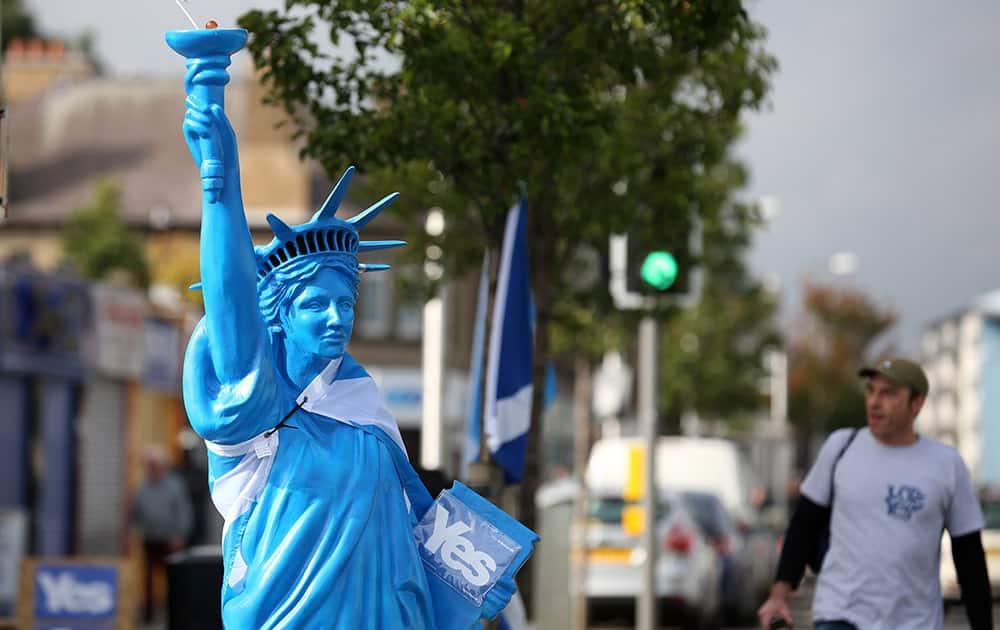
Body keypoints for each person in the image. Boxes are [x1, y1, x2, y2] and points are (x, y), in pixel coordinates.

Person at [757, 357, 993, 630]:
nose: (874, 402)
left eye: (888, 394)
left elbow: (969, 556)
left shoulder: (945, 465)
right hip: (840, 614)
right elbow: (803, 525)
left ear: (917, 403)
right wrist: (779, 594)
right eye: (871, 390)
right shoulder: (841, 447)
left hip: (915, 622)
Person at [131, 445, 193, 623]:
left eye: (154, 464)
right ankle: (149, 618)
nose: (151, 468)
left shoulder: (175, 486)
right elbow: (136, 513)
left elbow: (184, 511)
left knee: (173, 580)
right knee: (148, 582)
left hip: (170, 541)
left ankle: (174, 615)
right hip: (151, 540)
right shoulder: (142, 487)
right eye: (149, 465)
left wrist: (179, 534)